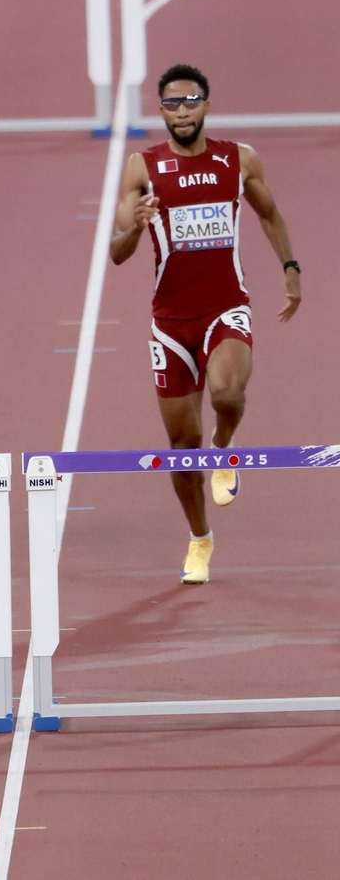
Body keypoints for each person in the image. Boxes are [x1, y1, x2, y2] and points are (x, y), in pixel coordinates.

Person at [110, 63, 300, 585]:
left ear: (207, 105)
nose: (182, 110)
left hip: (225, 306)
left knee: (227, 393)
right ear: (162, 110)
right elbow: (117, 251)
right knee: (180, 447)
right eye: (172, 102)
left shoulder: (238, 160)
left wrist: (290, 268)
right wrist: (139, 226)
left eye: (191, 100)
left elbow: (268, 213)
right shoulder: (141, 168)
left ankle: (225, 447)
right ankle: (199, 539)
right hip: (170, 322)